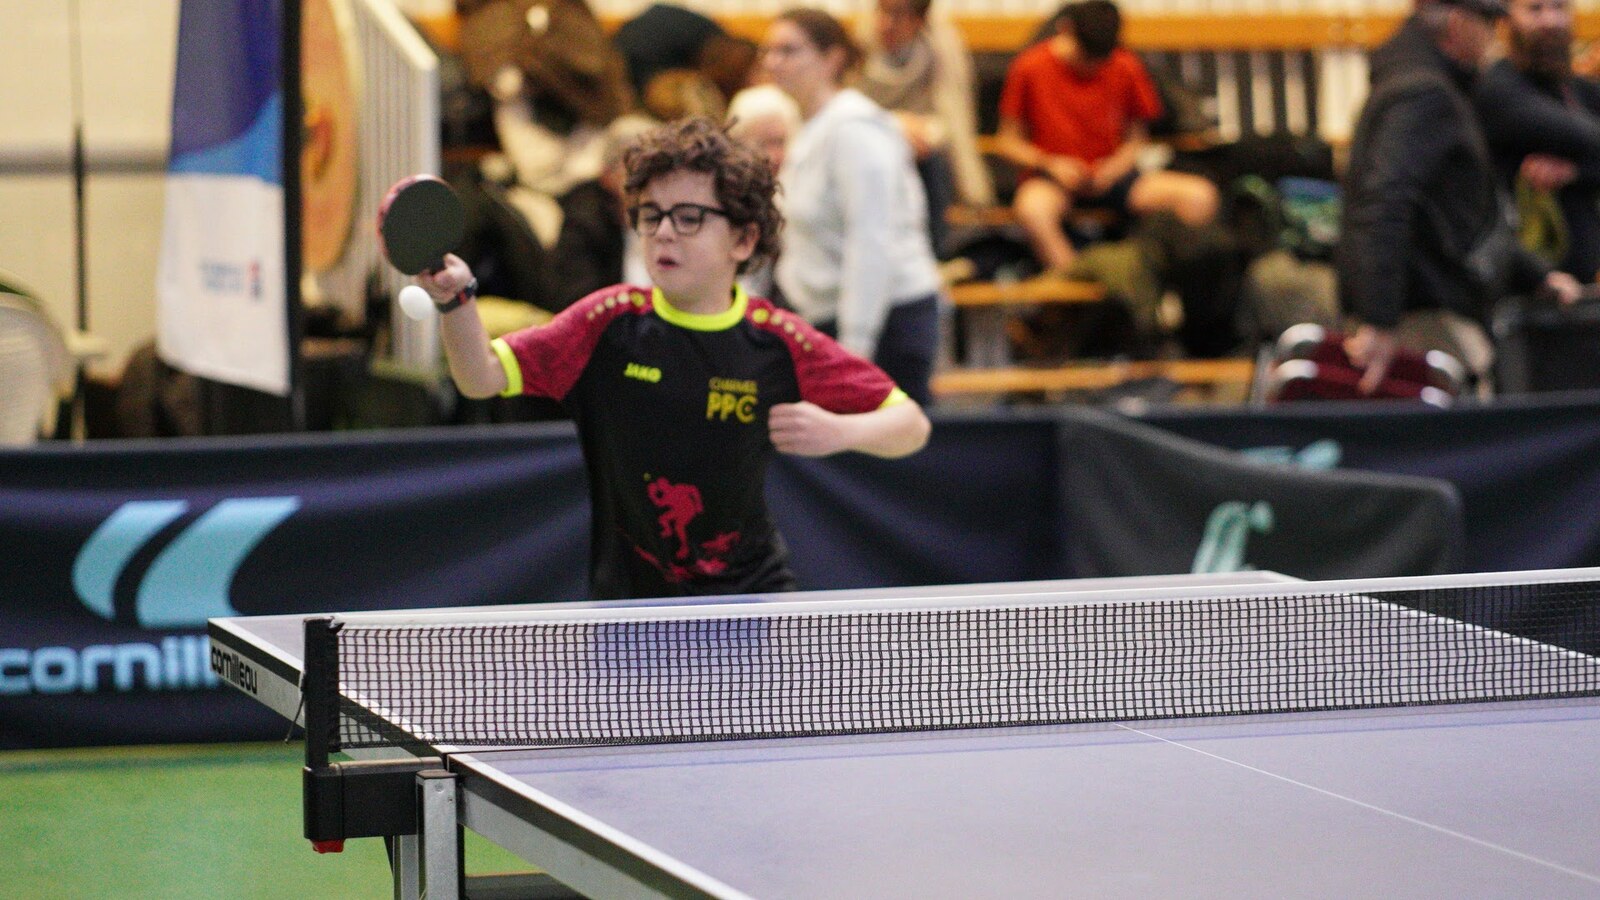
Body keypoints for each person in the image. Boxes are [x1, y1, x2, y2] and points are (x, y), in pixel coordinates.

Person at [414, 118, 931, 600]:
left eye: (688, 218)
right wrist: (456, 302)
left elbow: (910, 424)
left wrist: (840, 432)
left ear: (744, 239)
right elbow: (480, 377)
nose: (663, 232)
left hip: (752, 604)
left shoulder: (777, 340)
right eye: (651, 215)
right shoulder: (606, 323)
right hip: (628, 611)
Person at [1337, 0, 1582, 395]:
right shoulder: (1425, 93)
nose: (1493, 37)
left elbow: (1456, 213)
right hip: (1427, 320)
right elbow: (1385, 201)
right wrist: (1379, 319)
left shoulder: (1421, 83)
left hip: (1422, 312)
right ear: (1458, 24)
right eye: (1487, 23)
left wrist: (1535, 274)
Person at [763, 8, 945, 406]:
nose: (773, 62)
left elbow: (871, 240)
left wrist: (855, 346)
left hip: (884, 321)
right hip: (827, 316)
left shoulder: (854, 129)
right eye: (769, 50)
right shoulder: (808, 126)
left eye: (788, 50)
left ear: (832, 59)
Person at [994, 0, 1219, 275]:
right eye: (1085, 55)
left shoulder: (1124, 64)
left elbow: (1137, 138)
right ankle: (1077, 278)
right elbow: (1007, 141)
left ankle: (1152, 280)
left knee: (1199, 196)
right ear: (1066, 30)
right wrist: (1050, 164)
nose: (1092, 66)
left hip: (1113, 177)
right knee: (1032, 209)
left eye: (1100, 59)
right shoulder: (1030, 65)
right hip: (1054, 179)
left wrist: (1114, 168)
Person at [855, 0, 995, 255]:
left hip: (920, 152)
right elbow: (842, 114)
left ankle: (934, 254)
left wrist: (921, 131)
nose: (887, 24)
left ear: (919, 21)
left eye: (898, 15)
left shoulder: (938, 52)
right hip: (863, 151)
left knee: (931, 159)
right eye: (882, 12)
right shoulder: (856, 52)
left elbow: (952, 119)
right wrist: (894, 125)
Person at [1475, 0, 1600, 282]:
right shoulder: (1499, 91)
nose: (1550, 21)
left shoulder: (1576, 90)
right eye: (1535, 9)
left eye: (1558, 7)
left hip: (1583, 282)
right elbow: (1583, 136)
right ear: (1506, 20)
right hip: (1533, 283)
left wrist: (1576, 172)